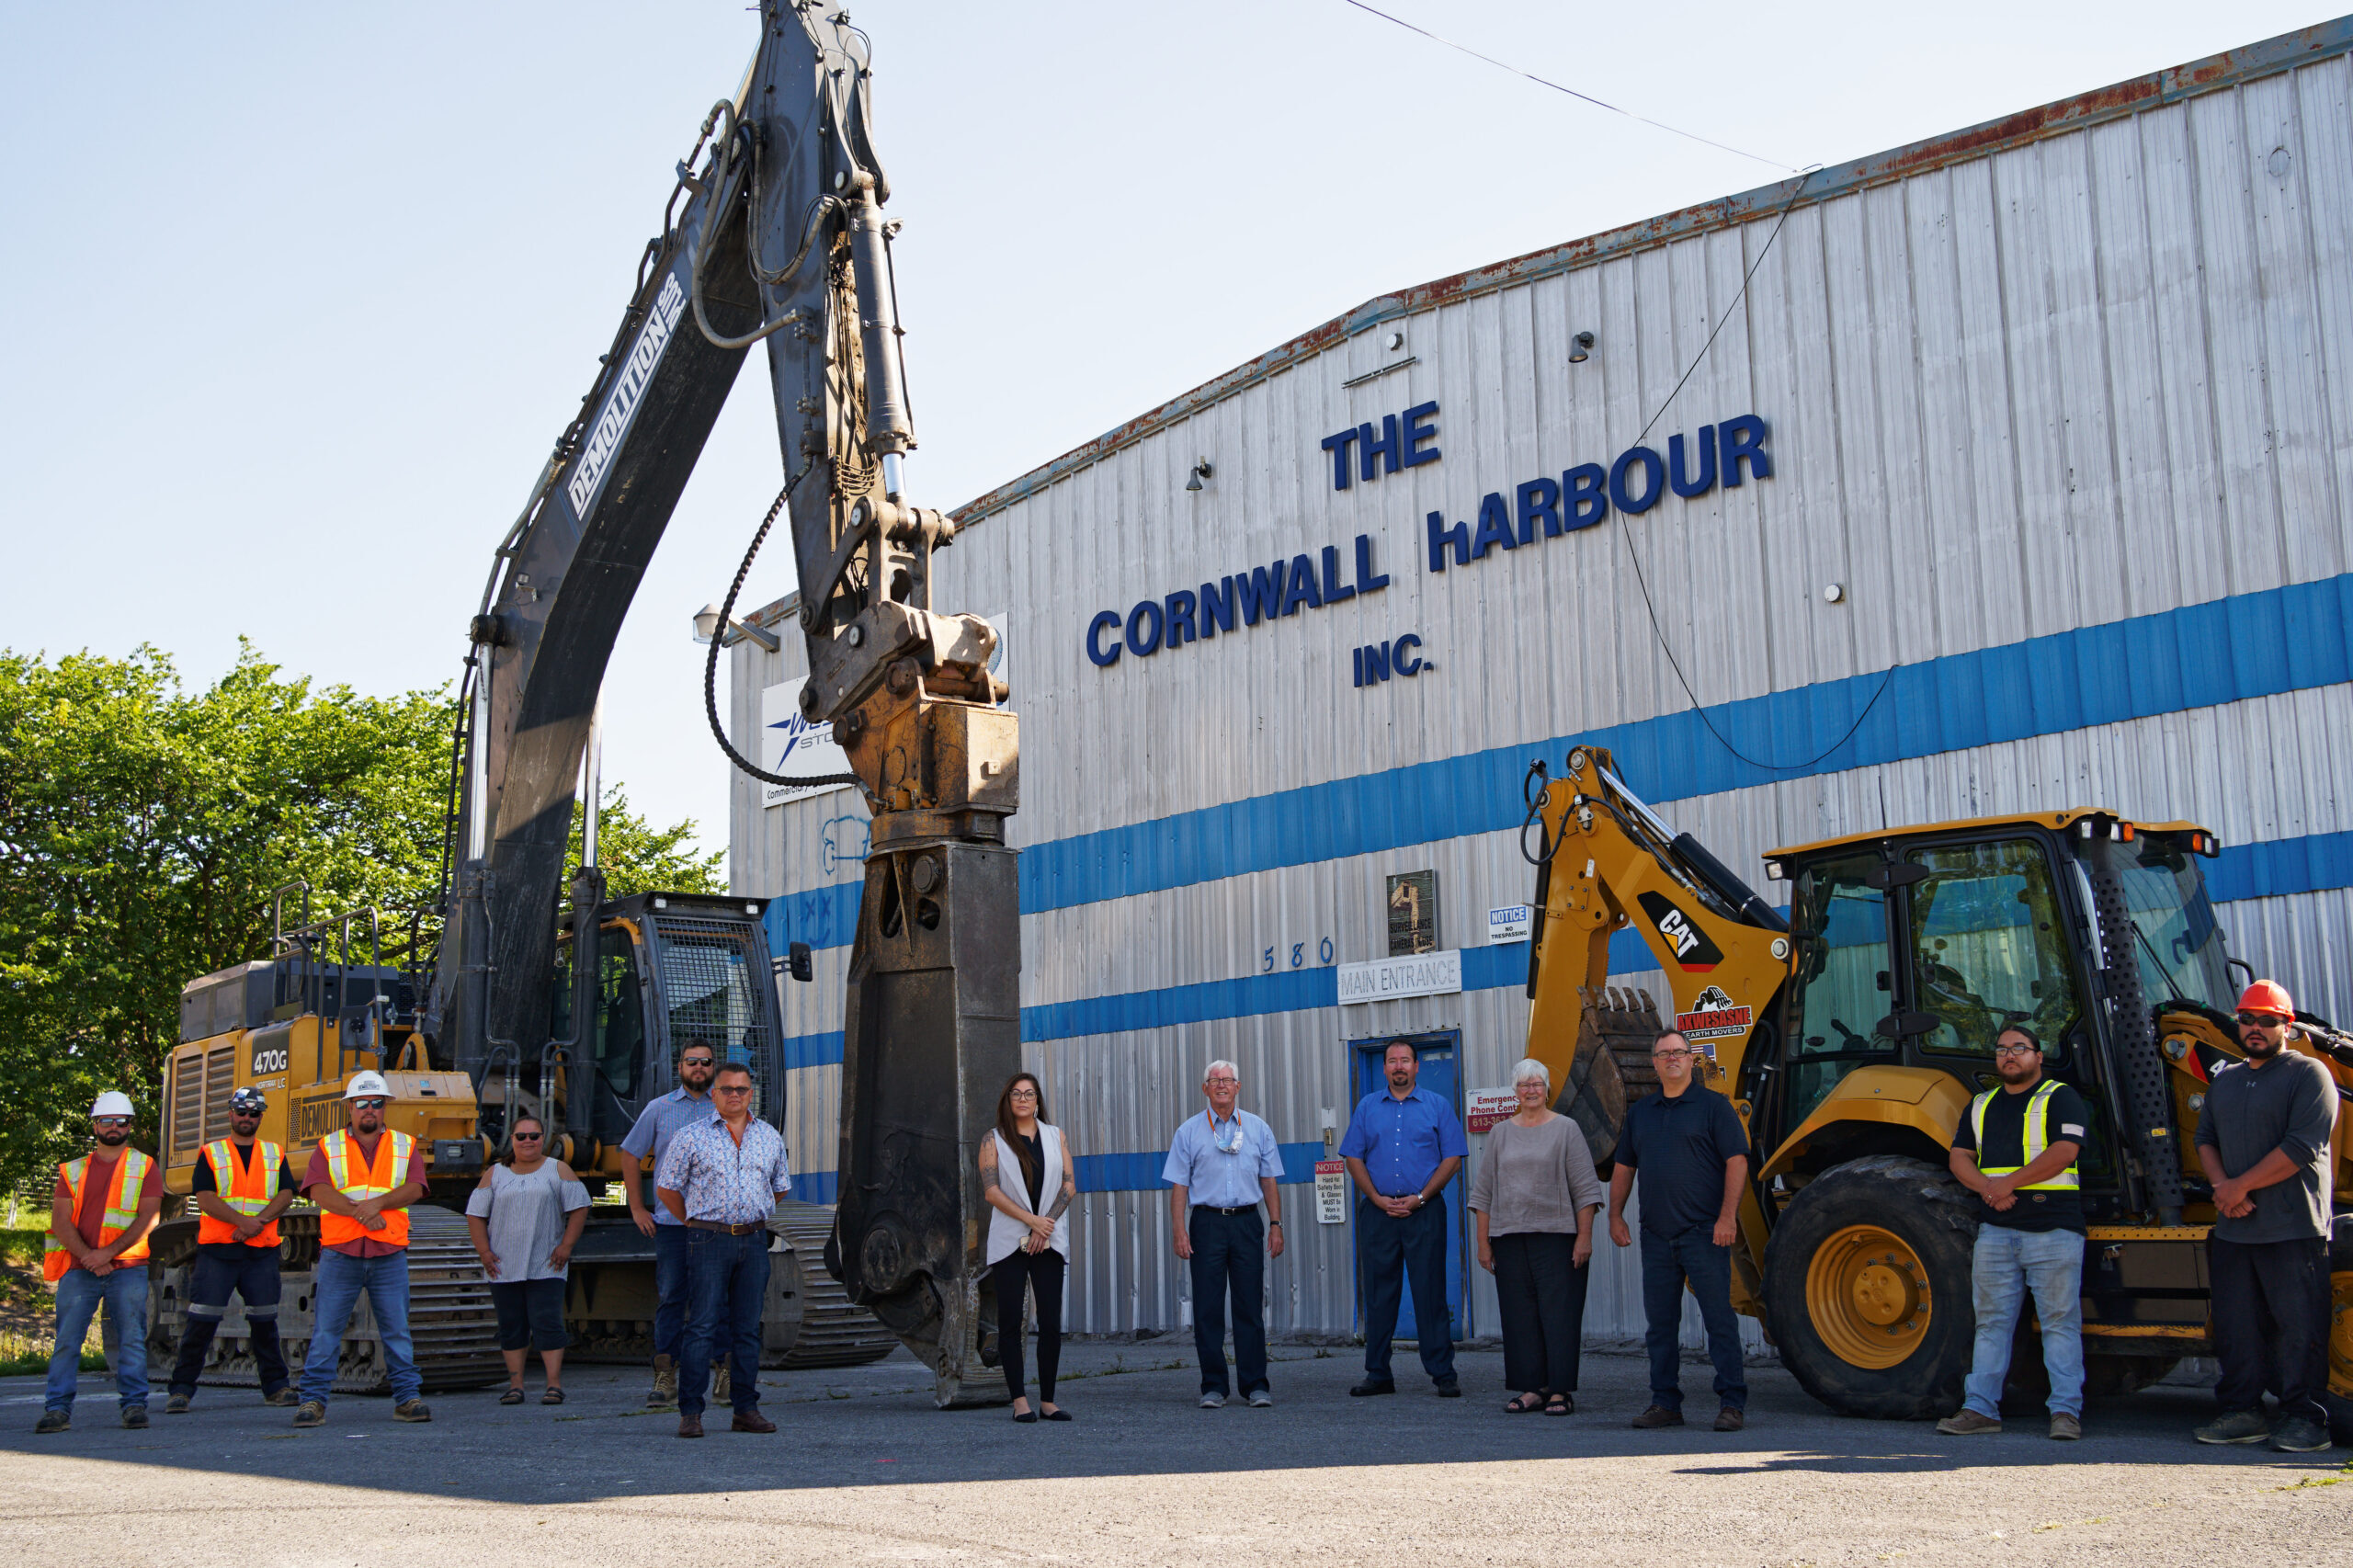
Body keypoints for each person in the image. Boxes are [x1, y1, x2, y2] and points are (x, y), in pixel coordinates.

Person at [2191, 979, 2339, 1454]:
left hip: (2293, 1228)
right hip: (2235, 1228)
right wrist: (2223, 1188)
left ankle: (2306, 1419)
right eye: (2247, 1019)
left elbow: (2301, 1146)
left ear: (2287, 1026)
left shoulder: (2309, 1074)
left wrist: (2239, 1187)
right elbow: (2205, 1139)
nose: (2255, 1028)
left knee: (2301, 1330)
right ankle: (2242, 1412)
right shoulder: (2227, 1080)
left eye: (2268, 1021)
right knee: (2238, 1329)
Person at [1936, 1024, 2091, 1440]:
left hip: (2053, 1230)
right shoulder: (1981, 1104)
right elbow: (1959, 1157)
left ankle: (2065, 1413)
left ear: (2038, 1056)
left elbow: (2064, 1152)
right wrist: (1989, 1188)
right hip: (1997, 1231)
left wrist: (2007, 1184)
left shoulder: (2060, 1097)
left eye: (2019, 1048)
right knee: (1990, 1324)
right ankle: (1980, 1409)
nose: (2009, 1054)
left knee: (2059, 1323)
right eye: (2002, 1048)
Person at [1608, 1028, 1751, 1431]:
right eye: (1663, 1053)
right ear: (1654, 1063)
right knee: (1660, 1326)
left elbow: (1737, 1161)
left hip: (1704, 1233)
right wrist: (1615, 1215)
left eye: (1678, 1052)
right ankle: (1665, 1403)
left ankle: (1732, 1403)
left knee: (1719, 1321)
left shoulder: (1713, 1107)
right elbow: (1624, 1167)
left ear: (1691, 1060)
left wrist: (1727, 1218)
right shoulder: (1640, 1113)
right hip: (1656, 1235)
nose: (1671, 1058)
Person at [654, 1062, 791, 1438]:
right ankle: (691, 1413)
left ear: (751, 1094)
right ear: (714, 1094)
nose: (735, 1095)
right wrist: (690, 1220)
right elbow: (667, 1187)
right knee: (702, 1325)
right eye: (727, 1089)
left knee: (747, 1329)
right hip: (708, 1239)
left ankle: (745, 1410)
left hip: (754, 1240)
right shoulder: (690, 1137)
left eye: (741, 1089)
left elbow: (779, 1187)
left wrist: (752, 1212)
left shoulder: (768, 1137)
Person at [293, 1070, 432, 1427]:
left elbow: (416, 1187)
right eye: (362, 1103)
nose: (369, 1109)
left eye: (376, 1102)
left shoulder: (405, 1145)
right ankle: (312, 1402)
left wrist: (377, 1205)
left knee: (397, 1331)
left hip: (388, 1252)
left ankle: (407, 1399)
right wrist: (363, 1213)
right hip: (341, 1252)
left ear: (384, 1107)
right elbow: (318, 1190)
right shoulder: (329, 1145)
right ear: (350, 1107)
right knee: (327, 1331)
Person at [1471, 1058, 1604, 1415]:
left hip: (1557, 1238)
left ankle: (1559, 1390)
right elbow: (1483, 1193)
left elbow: (1586, 1190)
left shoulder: (1566, 1129)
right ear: (1515, 1091)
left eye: (1537, 1084)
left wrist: (1584, 1238)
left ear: (1547, 1089)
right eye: (1524, 1084)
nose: (1531, 1090)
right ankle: (1533, 1388)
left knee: (1559, 1316)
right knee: (1520, 1317)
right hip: (1509, 1239)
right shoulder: (1499, 1133)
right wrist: (1483, 1243)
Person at [1340, 1040, 1468, 1398]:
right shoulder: (1367, 1107)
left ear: (1416, 1066)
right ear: (1384, 1068)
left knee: (1430, 1292)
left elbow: (1453, 1157)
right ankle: (1378, 1373)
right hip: (1378, 1213)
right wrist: (1376, 1198)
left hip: (1424, 1212)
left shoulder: (1437, 1106)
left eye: (1405, 1060)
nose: (1399, 1066)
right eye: (1392, 1061)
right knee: (1379, 1295)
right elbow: (1353, 1157)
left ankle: (1443, 1373)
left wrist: (1421, 1197)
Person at [165, 1086, 300, 1414]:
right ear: (231, 1113)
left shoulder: (274, 1153)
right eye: (241, 1112)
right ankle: (181, 1390)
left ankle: (276, 1387)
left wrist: (257, 1222)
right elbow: (205, 1197)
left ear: (261, 1116)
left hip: (260, 1250)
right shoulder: (212, 1153)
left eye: (254, 1113)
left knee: (265, 1323)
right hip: (219, 1251)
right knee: (202, 1321)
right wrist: (242, 1221)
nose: (247, 1118)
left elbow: (286, 1193)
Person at [35, 1091, 163, 1434]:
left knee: (131, 1339)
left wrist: (106, 1254)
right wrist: (90, 1257)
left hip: (127, 1269)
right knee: (67, 1341)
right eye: (106, 1120)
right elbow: (60, 1221)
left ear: (129, 1126)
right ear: (95, 1125)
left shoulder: (146, 1166)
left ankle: (134, 1406)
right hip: (80, 1270)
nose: (113, 1126)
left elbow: (149, 1217)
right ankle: (57, 1410)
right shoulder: (72, 1170)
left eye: (120, 1121)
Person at [1164, 1059, 1286, 1409]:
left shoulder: (1258, 1128)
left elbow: (1269, 1180)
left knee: (1249, 1306)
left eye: (1228, 1080)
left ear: (1238, 1087)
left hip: (1247, 1222)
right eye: (1214, 1080)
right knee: (1208, 1308)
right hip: (1207, 1224)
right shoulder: (1188, 1131)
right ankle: (1214, 1386)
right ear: (1205, 1088)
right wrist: (1179, 1230)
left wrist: (1275, 1224)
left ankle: (1255, 1386)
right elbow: (1179, 1185)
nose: (1221, 1085)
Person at [618, 1040, 719, 1409]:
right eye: (692, 1061)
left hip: (716, 1223)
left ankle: (724, 1374)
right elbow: (629, 1154)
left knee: (718, 1298)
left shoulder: (726, 1107)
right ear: (680, 1067)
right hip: (672, 1224)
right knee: (673, 1297)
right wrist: (637, 1208)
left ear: (713, 1067)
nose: (699, 1068)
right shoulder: (659, 1109)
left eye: (705, 1062)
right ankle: (666, 1374)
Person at [465, 1114, 590, 1405]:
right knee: (511, 1325)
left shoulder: (557, 1169)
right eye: (521, 1136)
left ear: (543, 1138)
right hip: (503, 1265)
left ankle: (554, 1385)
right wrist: (484, 1252)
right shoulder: (495, 1173)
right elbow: (475, 1213)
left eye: (534, 1136)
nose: (528, 1141)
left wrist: (566, 1246)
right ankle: (515, 1386)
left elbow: (580, 1206)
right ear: (512, 1139)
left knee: (547, 1323)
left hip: (546, 1263)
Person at [982, 1071, 1078, 1422]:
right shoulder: (993, 1139)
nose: (1023, 1099)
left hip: (1048, 1240)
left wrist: (1044, 1225)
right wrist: (1031, 1221)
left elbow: (1068, 1186)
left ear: (1038, 1101)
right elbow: (992, 1191)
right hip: (1010, 1240)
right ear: (1007, 1101)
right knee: (1010, 1321)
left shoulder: (1055, 1136)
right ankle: (1019, 1401)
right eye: (1016, 1094)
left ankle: (1048, 1401)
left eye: (1029, 1094)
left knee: (1050, 1321)